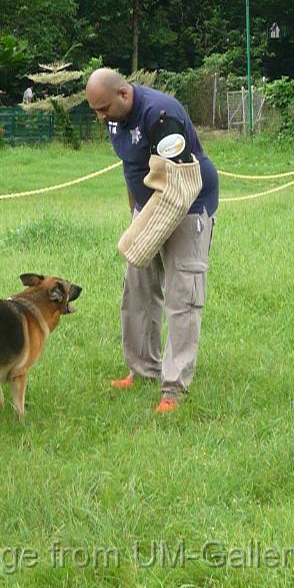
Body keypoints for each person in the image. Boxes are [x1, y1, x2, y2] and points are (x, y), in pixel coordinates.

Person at [85, 68, 218, 413]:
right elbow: (132, 168)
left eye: (103, 109)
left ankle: (173, 390)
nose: (100, 118)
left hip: (187, 205)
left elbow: (178, 185)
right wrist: (136, 218)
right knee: (138, 289)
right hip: (148, 207)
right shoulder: (116, 115)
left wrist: (150, 235)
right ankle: (142, 369)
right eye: (95, 111)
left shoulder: (161, 115)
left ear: (124, 95)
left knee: (183, 294)